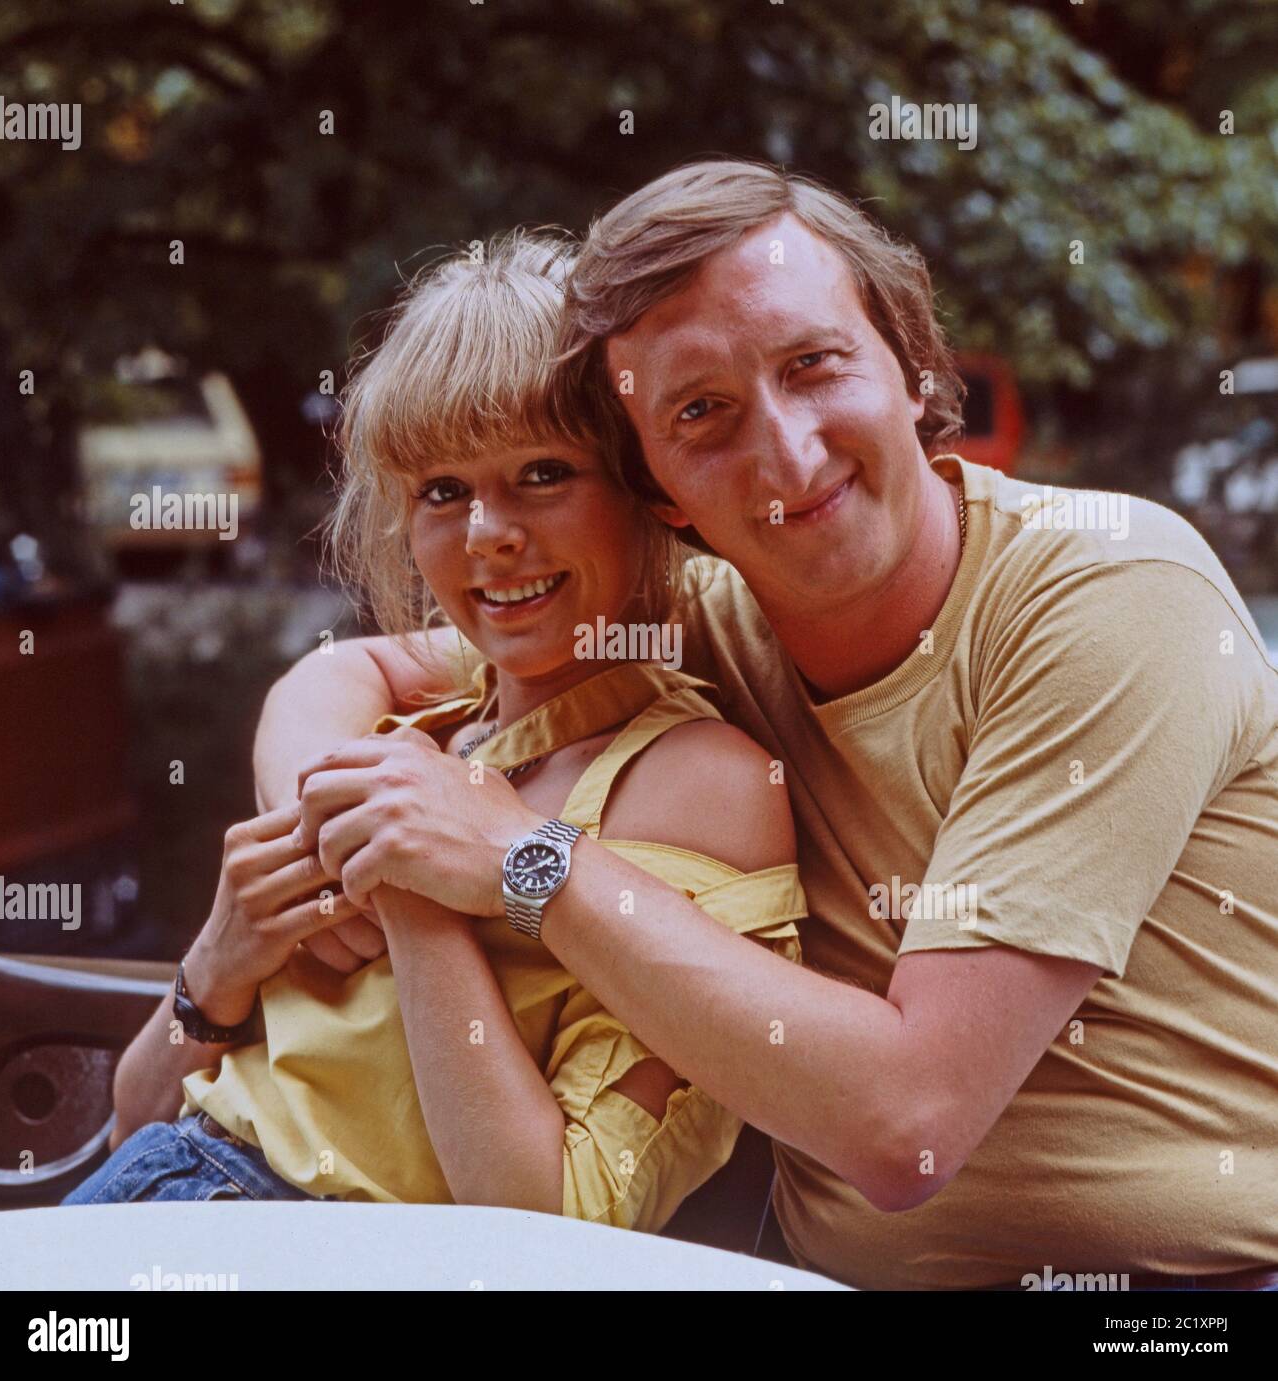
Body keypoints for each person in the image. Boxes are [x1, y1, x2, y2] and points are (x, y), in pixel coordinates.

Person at [260, 160, 1278, 1291]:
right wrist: (336, 856)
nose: (788, 455)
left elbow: (911, 1126)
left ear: (912, 363)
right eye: (702, 414)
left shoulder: (1106, 591)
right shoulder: (704, 608)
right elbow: (350, 675)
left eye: (813, 365)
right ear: (657, 490)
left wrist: (519, 860)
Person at [64, 230, 806, 1230]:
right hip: (155, 1198)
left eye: (543, 473)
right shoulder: (421, 732)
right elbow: (137, 1125)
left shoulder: (694, 780)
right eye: (441, 492)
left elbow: (552, 1222)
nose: (486, 534)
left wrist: (411, 886)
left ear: (648, 494)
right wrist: (218, 967)